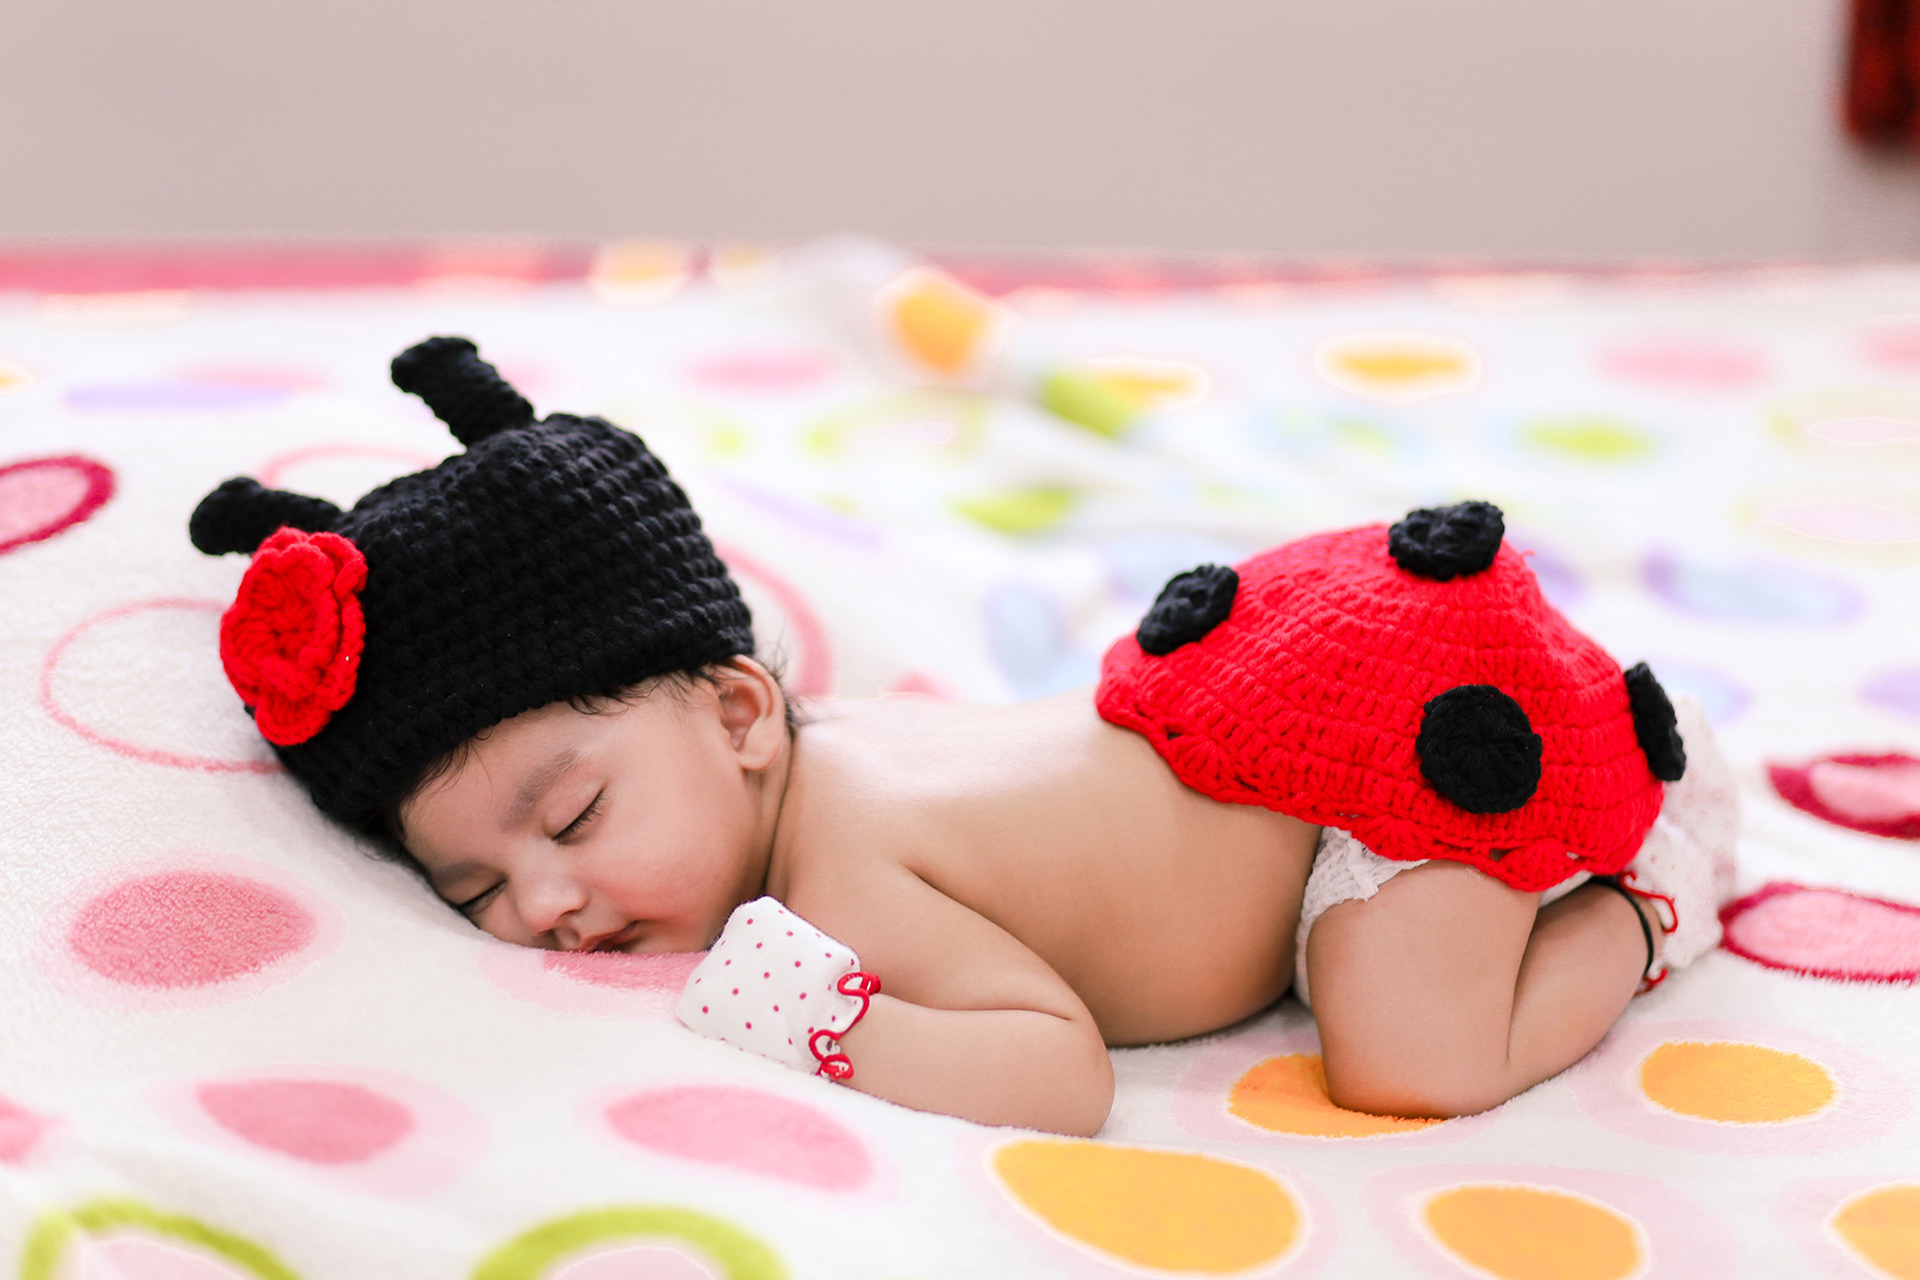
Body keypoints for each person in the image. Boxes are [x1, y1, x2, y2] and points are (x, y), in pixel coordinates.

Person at [190, 337, 1736, 1137]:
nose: (541, 903)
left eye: (575, 817)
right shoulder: (825, 755)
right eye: (473, 889)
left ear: (738, 711)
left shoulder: (846, 877)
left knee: (1409, 1066)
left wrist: (829, 1023)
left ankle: (1647, 891)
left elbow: (1057, 1071)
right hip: (1256, 695)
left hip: (1373, 774)